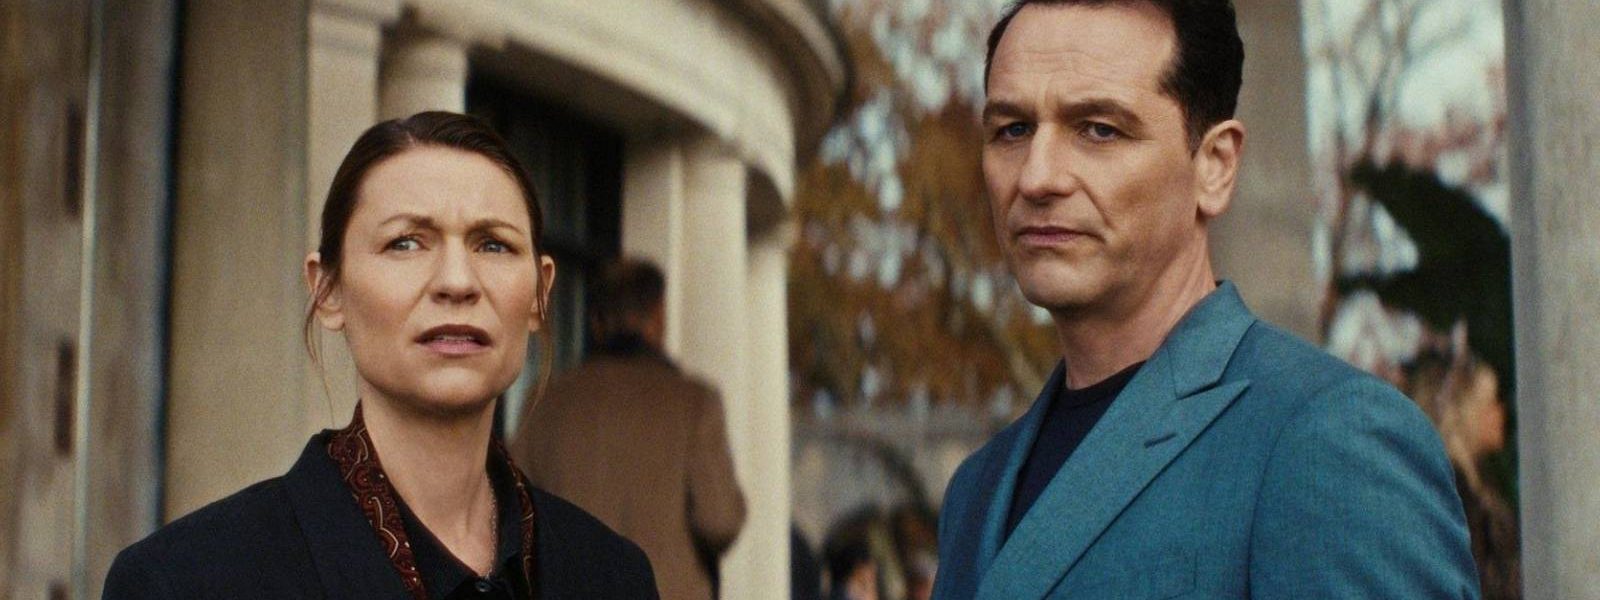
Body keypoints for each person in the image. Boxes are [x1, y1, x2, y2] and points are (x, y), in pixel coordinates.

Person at [931, 1, 1478, 598]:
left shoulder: (1329, 440)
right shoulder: (976, 490)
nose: (1037, 177)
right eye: (1012, 129)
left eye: (1099, 129)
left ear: (1214, 166)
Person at [103, 112, 658, 598]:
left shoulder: (614, 577)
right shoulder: (186, 581)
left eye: (493, 244)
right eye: (405, 243)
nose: (457, 282)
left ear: (539, 295)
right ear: (328, 290)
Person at [511, 258, 745, 600]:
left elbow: (513, 508)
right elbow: (719, 520)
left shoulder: (548, 399)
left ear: (596, 322)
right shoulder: (693, 402)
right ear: (659, 317)